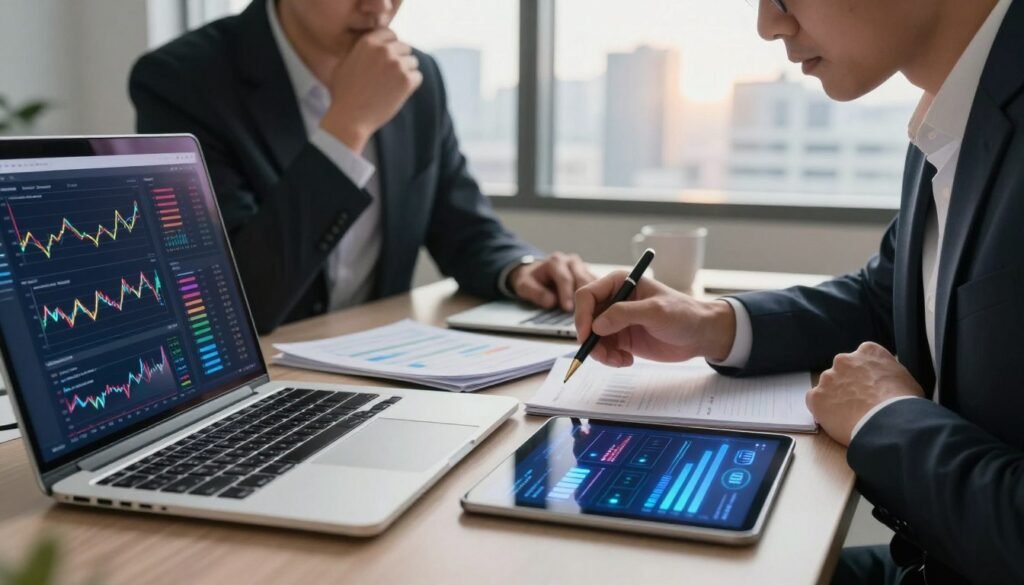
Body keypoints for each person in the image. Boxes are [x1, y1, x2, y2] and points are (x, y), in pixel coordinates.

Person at [575, 0, 1024, 583]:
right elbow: (886, 300)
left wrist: (885, 418)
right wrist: (711, 322)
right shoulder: (953, 115)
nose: (768, 24)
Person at [129, 0, 591, 333]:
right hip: (262, 383)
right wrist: (346, 128)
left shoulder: (417, 78)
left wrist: (518, 269)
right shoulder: (181, 80)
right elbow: (235, 299)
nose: (379, 7)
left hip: (375, 366)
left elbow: (465, 228)